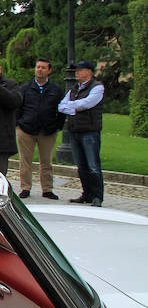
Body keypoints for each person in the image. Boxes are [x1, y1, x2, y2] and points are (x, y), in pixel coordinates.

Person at [16, 59, 65, 199]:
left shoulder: (56, 89)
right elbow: (18, 106)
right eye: (38, 67)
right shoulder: (26, 88)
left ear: (49, 70)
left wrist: (57, 126)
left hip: (48, 130)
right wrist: (18, 123)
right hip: (26, 129)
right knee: (25, 161)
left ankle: (47, 189)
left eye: (43, 67)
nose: (40, 70)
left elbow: (61, 110)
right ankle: (25, 187)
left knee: (46, 161)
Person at [58, 60, 105, 206]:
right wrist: (76, 107)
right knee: (81, 166)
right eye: (76, 70)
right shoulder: (74, 89)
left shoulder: (97, 87)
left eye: (80, 70)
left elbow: (88, 103)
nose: (76, 72)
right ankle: (87, 194)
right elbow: (61, 106)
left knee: (93, 166)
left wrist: (72, 107)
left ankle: (97, 196)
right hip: (75, 130)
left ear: (89, 72)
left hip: (90, 131)